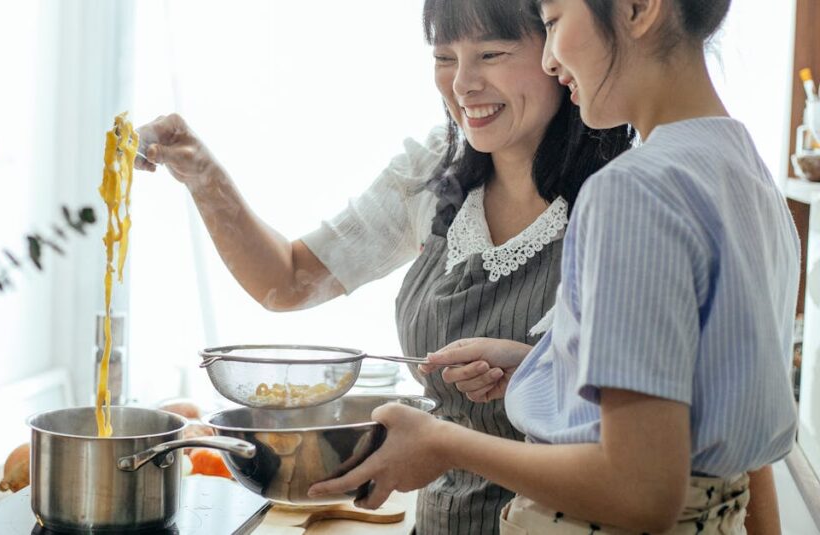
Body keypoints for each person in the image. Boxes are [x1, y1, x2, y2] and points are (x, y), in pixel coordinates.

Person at [136, 0, 630, 531]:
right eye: (444, 56)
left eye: (491, 53)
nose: (462, 84)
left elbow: (648, 447)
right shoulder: (431, 175)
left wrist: (531, 371)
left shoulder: (629, 198)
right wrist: (202, 175)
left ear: (560, 48)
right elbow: (289, 281)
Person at [308, 0, 798, 533]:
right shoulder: (745, 169)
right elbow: (712, 409)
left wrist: (442, 442)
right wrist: (547, 364)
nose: (549, 60)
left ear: (637, 9)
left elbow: (640, 491)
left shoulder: (631, 190)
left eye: (556, 21)